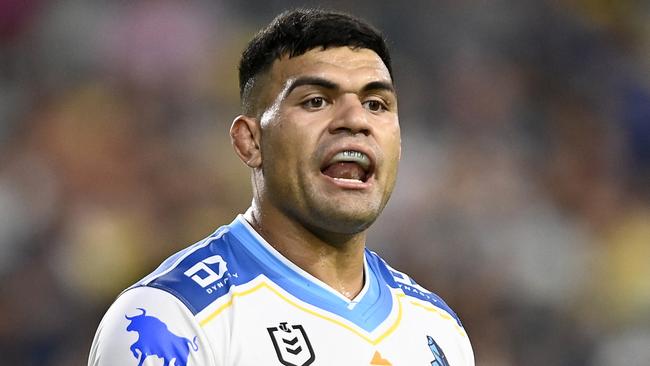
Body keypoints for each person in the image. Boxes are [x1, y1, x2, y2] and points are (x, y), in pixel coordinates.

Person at [88, 8, 474, 366]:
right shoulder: (175, 317)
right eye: (317, 101)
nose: (356, 120)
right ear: (250, 142)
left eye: (376, 104)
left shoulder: (438, 329)